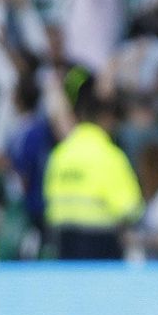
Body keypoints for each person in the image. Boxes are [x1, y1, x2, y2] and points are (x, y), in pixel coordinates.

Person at [42, 80, 143, 259]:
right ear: (106, 118)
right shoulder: (110, 156)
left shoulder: (60, 153)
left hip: (62, 244)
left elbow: (49, 199)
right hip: (101, 245)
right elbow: (130, 208)